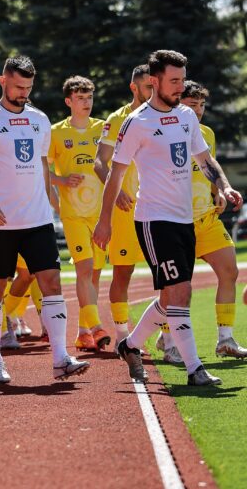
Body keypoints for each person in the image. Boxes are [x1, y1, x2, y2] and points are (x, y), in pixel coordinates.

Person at [94, 50, 243, 386]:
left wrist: (225, 185)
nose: (180, 87)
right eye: (174, 81)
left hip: (184, 220)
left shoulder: (186, 117)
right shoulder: (136, 123)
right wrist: (104, 221)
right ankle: (194, 369)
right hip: (154, 220)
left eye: (182, 80)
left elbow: (205, 160)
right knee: (181, 291)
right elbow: (115, 175)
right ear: (154, 81)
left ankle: (130, 345)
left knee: (169, 297)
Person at [0, 55, 90, 384]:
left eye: (28, 87)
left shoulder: (39, 119)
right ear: (3, 81)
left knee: (52, 283)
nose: (24, 93)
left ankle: (60, 358)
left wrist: (50, 200)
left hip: (37, 220)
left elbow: (43, 164)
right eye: (18, 86)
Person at [153, 81, 245, 359]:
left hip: (206, 218)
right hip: (173, 222)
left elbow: (209, 167)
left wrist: (218, 191)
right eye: (192, 105)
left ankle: (225, 339)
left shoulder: (207, 133)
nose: (199, 110)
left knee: (229, 271)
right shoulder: (161, 131)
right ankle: (167, 340)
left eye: (202, 105)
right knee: (175, 288)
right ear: (178, 103)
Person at [48, 75, 110, 351]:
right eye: (80, 98)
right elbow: (42, 169)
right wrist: (61, 180)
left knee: (94, 273)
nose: (86, 102)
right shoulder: (56, 132)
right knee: (84, 268)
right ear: (68, 101)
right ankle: (97, 328)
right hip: (73, 215)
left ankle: (83, 332)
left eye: (89, 97)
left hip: (100, 215)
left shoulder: (102, 128)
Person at [94, 65, 153, 350]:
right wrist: (116, 192)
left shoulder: (165, 116)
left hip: (157, 207)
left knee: (167, 276)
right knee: (123, 272)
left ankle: (168, 339)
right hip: (126, 211)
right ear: (134, 87)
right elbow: (99, 163)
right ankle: (122, 336)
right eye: (148, 87)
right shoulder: (117, 119)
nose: (153, 91)